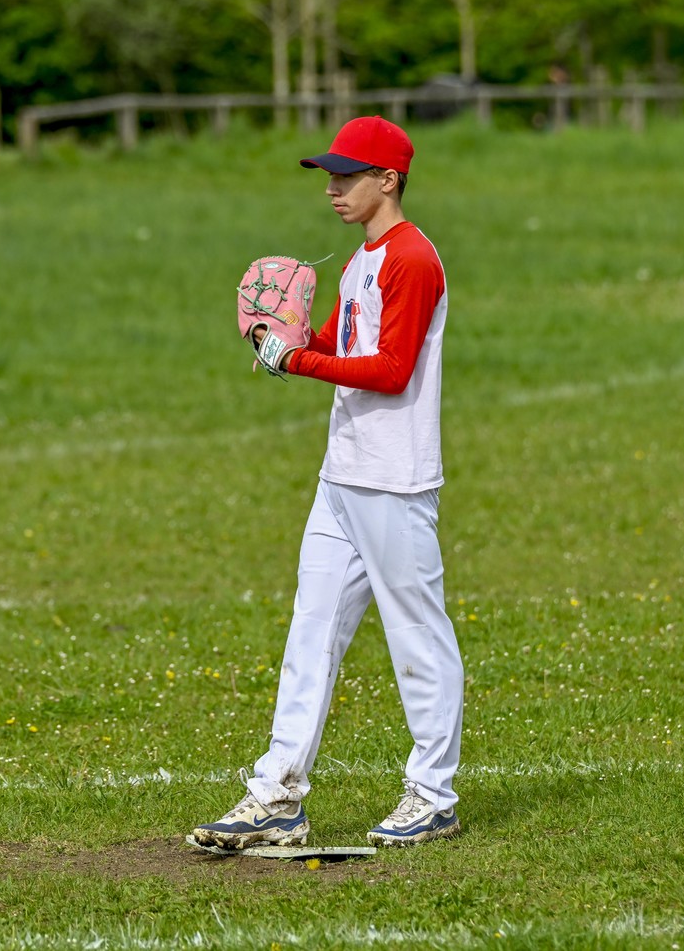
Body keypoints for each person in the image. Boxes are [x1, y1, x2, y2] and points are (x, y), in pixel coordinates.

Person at [193, 116, 462, 849]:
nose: (333, 186)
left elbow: (390, 370)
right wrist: (281, 335)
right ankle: (277, 793)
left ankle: (433, 794)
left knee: (417, 633)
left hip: (394, 478)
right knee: (311, 629)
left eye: (348, 174)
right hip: (342, 474)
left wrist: (294, 361)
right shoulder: (358, 262)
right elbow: (341, 346)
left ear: (390, 180)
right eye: (329, 174)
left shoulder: (412, 258)